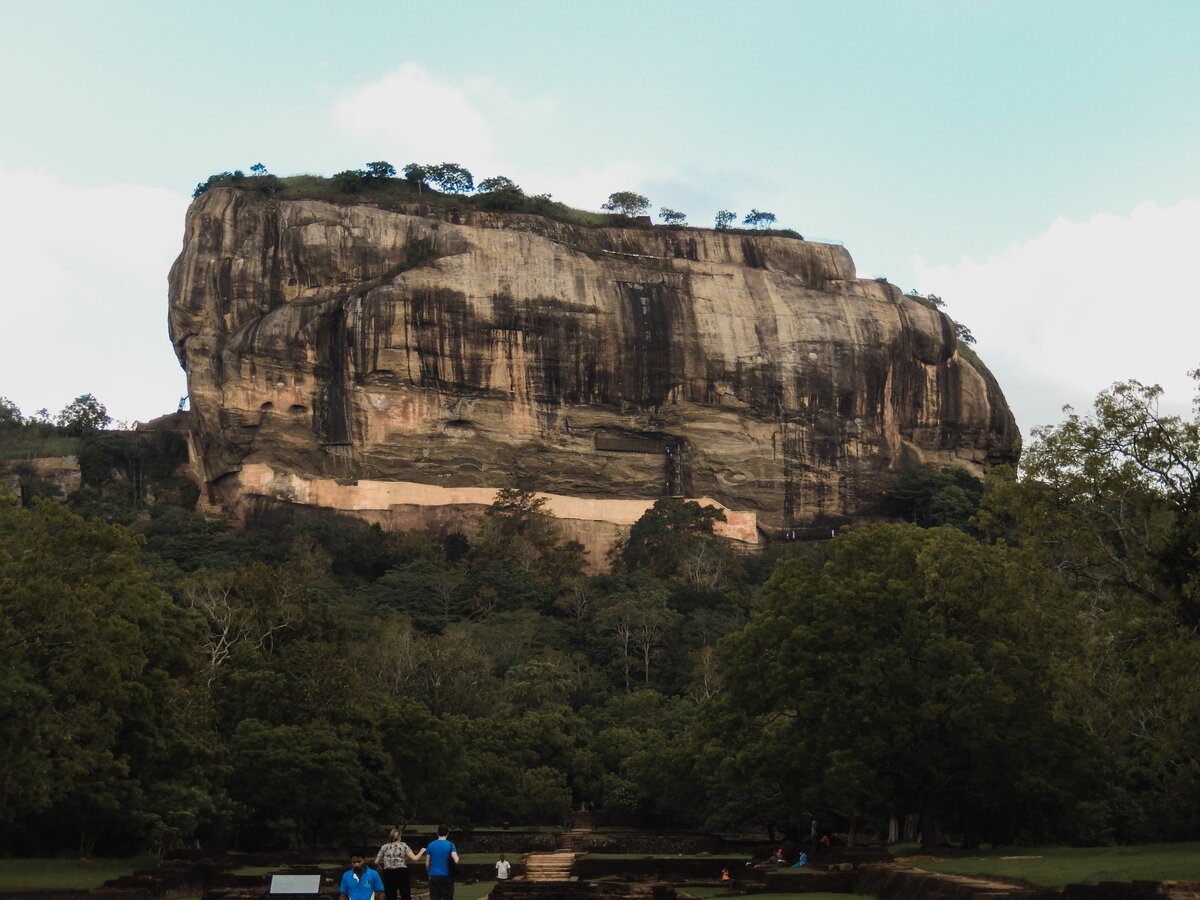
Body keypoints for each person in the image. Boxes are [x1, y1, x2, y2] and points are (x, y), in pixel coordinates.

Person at [375, 828, 425, 900]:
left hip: (388, 873)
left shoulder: (384, 847)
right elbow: (415, 859)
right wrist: (421, 852)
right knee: (405, 895)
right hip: (402, 872)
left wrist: (379, 867)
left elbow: (376, 862)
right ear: (399, 837)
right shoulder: (404, 846)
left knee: (390, 896)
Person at [425, 824, 459, 900]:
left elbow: (427, 863)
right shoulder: (450, 845)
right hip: (446, 877)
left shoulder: (431, 845)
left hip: (434, 876)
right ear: (448, 833)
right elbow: (456, 860)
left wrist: (429, 874)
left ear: (437, 833)